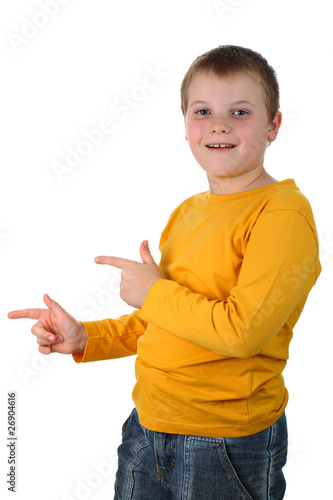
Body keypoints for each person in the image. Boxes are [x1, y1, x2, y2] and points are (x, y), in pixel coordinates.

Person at [8, 45, 321, 499]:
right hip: (148, 427)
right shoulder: (187, 212)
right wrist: (86, 338)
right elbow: (166, 321)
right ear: (187, 127)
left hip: (226, 441)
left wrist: (154, 293)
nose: (218, 124)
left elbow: (243, 331)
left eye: (240, 111)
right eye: (203, 111)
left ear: (273, 125)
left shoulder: (283, 214)